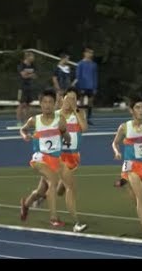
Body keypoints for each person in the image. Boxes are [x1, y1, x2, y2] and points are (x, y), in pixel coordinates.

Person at [26, 87, 88, 233]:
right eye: (68, 98)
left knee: (60, 189)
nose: (70, 101)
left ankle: (41, 200)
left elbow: (84, 128)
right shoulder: (55, 114)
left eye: (73, 99)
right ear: (61, 99)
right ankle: (30, 203)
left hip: (71, 157)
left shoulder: (79, 113)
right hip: (54, 156)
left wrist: (75, 110)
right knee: (49, 188)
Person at [19, 88, 71, 227]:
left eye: (50, 102)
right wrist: (25, 136)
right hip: (40, 158)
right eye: (45, 102)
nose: (47, 105)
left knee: (41, 191)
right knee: (53, 183)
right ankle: (54, 218)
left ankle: (26, 204)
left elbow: (66, 136)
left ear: (54, 104)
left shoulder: (60, 120)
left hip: (54, 160)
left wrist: (66, 138)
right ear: (40, 104)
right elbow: (23, 129)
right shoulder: (34, 120)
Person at [112, 98, 142, 241]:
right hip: (131, 165)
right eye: (137, 107)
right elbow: (115, 143)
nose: (141, 110)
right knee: (140, 199)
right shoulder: (125, 127)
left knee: (137, 198)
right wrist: (117, 152)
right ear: (131, 110)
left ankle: (124, 182)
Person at [73, 47, 97, 125]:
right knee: (81, 103)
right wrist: (79, 86)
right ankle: (80, 118)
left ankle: (88, 118)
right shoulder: (80, 64)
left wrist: (95, 87)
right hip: (82, 86)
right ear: (85, 53)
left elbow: (95, 76)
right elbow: (78, 76)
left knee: (90, 103)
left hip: (91, 86)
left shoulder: (94, 64)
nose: (90, 54)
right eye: (89, 52)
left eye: (92, 53)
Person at [16, 50, 38, 126]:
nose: (33, 58)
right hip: (22, 87)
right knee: (21, 104)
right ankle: (19, 121)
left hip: (30, 87)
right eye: (32, 56)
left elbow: (35, 75)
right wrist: (30, 75)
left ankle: (27, 121)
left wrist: (29, 75)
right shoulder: (21, 65)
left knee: (28, 105)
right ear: (27, 57)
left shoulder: (33, 65)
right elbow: (23, 75)